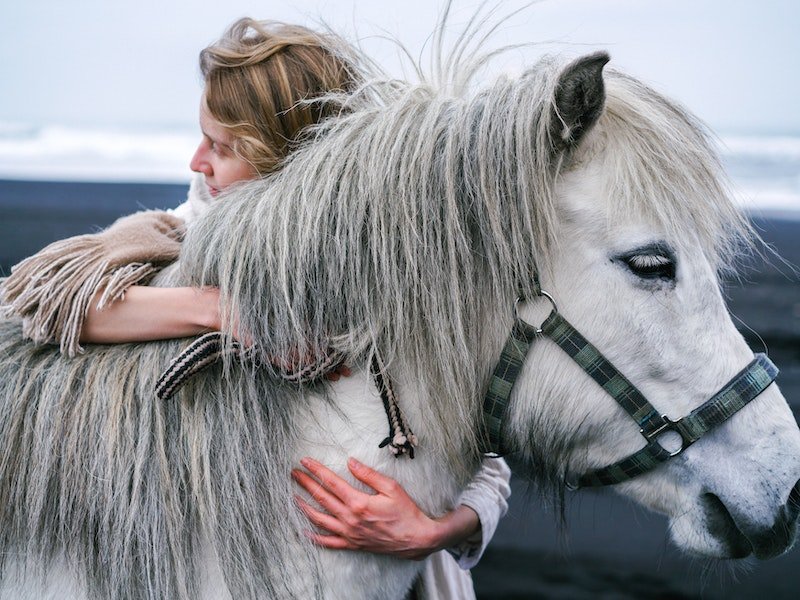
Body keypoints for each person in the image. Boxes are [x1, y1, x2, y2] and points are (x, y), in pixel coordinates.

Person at [0, 18, 510, 599]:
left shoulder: (395, 270)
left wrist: (432, 532)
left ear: (281, 157)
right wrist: (222, 311)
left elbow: (488, 446)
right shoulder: (192, 232)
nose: (197, 162)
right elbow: (65, 310)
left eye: (222, 146)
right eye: (202, 138)